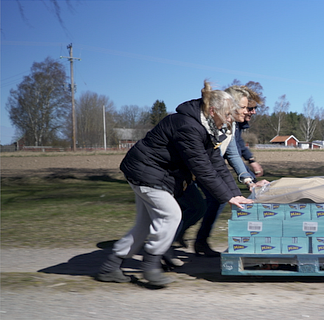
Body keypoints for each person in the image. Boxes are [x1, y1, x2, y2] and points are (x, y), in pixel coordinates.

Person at [96, 81, 254, 285]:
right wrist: (228, 197)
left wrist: (234, 193)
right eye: (227, 115)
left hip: (153, 173)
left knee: (144, 225)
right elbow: (202, 169)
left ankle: (110, 267)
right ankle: (151, 265)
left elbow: (216, 163)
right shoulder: (188, 126)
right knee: (171, 214)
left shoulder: (207, 125)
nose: (229, 120)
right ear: (213, 111)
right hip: (146, 172)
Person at [191, 85, 267, 257]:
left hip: (208, 169)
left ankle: (194, 241)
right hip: (193, 170)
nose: (251, 112)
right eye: (248, 108)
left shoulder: (231, 127)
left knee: (203, 205)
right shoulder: (214, 124)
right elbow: (210, 159)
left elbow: (231, 154)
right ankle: (167, 246)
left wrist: (249, 182)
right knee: (193, 208)